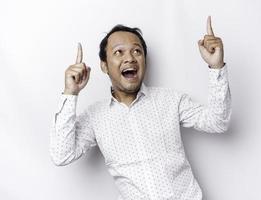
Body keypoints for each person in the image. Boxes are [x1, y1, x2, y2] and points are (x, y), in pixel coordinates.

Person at [50, 16, 232, 200]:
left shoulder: (170, 100)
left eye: (137, 51)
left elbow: (218, 122)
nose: (129, 58)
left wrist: (216, 66)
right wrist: (70, 93)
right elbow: (61, 155)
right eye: (119, 52)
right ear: (104, 66)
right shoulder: (95, 116)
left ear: (145, 61)